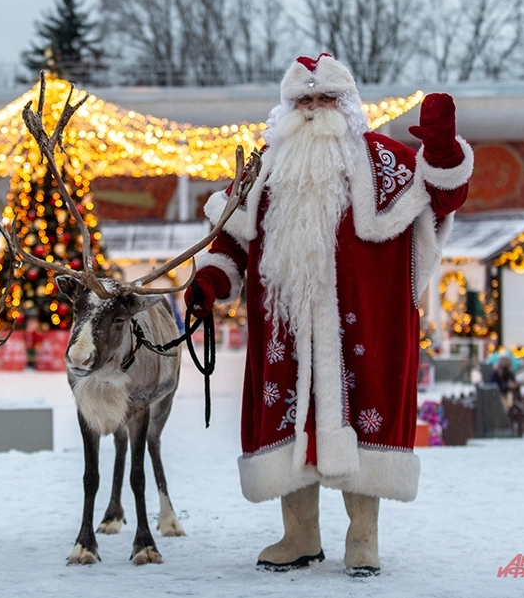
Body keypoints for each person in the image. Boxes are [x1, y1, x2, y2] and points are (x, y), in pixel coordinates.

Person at [184, 54, 472, 576]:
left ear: (347, 104)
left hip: (365, 323)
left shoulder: (386, 163)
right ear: (289, 107)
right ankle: (299, 536)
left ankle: (363, 537)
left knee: (362, 417)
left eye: (326, 99)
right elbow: (230, 241)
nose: (315, 110)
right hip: (286, 327)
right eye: (305, 100)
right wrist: (210, 282)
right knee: (290, 420)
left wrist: (443, 147)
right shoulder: (264, 170)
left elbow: (444, 196)